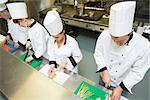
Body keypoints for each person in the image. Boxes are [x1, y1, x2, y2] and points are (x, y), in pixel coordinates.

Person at [94, 1, 150, 100]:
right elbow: (99, 53)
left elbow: (138, 71)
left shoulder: (143, 45)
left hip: (123, 84)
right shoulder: (104, 35)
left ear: (130, 32)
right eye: (112, 38)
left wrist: (120, 88)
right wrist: (104, 71)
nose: (114, 42)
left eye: (118, 40)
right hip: (104, 77)